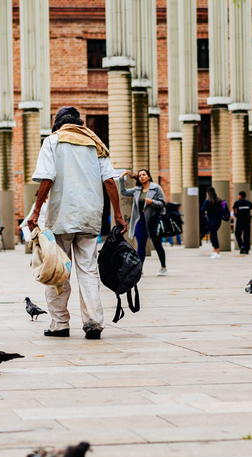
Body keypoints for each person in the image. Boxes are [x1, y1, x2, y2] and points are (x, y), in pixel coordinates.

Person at [27, 106, 125, 340]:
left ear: (58, 123)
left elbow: (47, 178)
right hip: (90, 216)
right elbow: (110, 181)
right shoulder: (95, 144)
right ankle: (93, 323)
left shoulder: (53, 141)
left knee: (58, 269)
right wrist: (118, 214)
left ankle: (59, 324)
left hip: (61, 215)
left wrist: (36, 211)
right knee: (88, 271)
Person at [119, 168, 167, 275]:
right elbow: (123, 192)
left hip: (153, 220)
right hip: (140, 220)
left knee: (157, 244)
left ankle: (163, 267)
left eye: (144, 175)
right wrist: (122, 178)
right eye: (140, 175)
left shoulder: (156, 188)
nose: (142, 177)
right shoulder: (137, 190)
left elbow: (163, 203)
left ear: (149, 177)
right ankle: (139, 269)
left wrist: (152, 202)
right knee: (141, 244)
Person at [200, 187, 226, 259]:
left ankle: (217, 252)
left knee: (213, 236)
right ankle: (215, 251)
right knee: (213, 236)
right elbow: (223, 209)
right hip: (218, 221)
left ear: (207, 193)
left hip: (211, 221)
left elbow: (202, 210)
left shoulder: (207, 201)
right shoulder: (219, 200)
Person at [231, 191, 252, 255]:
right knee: (246, 236)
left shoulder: (237, 203)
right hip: (247, 221)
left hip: (239, 221)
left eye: (238, 195)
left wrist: (236, 216)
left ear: (240, 196)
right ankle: (246, 249)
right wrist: (251, 216)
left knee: (237, 234)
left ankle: (241, 246)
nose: (238, 196)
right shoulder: (248, 203)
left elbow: (234, 211)